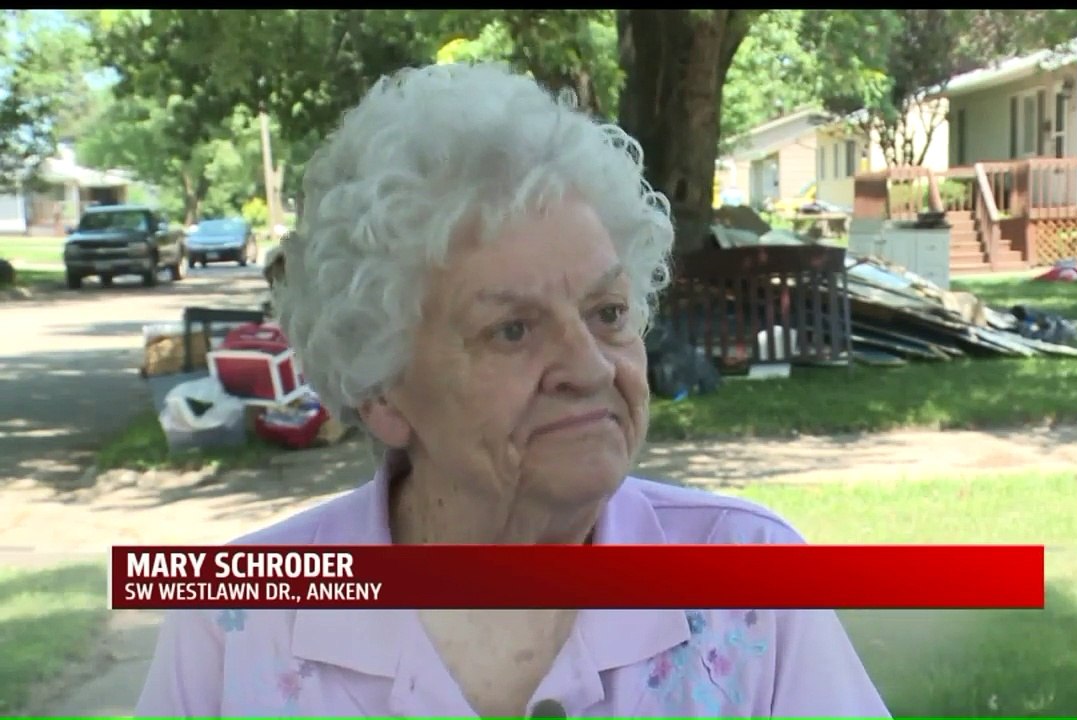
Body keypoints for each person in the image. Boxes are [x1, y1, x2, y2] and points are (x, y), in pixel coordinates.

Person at [135, 63, 890, 718]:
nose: (591, 368)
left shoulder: (749, 581)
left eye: (608, 314)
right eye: (513, 331)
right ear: (383, 390)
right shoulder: (236, 618)